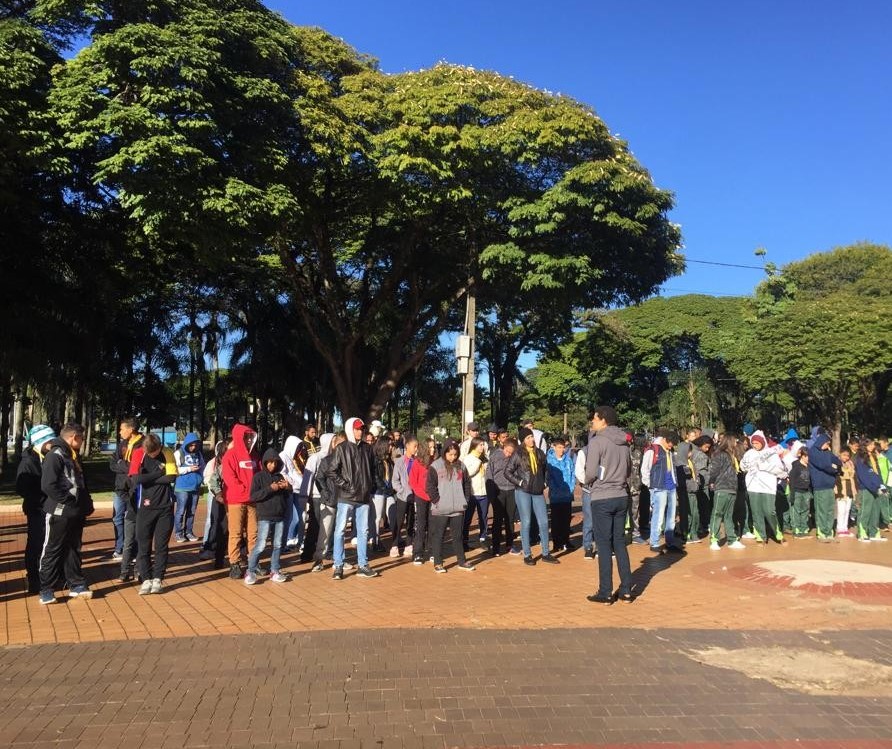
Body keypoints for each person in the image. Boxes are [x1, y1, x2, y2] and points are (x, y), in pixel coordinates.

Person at [37, 423, 94, 604]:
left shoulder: (72, 455)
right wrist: (68, 500)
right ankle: (46, 589)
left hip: (76, 512)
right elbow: (48, 485)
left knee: (73, 547)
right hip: (59, 511)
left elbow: (80, 481)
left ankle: (76, 584)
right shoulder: (55, 456)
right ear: (73, 437)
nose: (83, 442)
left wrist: (86, 502)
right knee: (53, 549)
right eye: (82, 438)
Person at [584, 406, 633, 604]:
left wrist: (589, 481)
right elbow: (629, 469)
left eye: (594, 419)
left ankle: (605, 591)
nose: (592, 422)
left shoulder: (597, 441)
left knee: (603, 545)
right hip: (621, 495)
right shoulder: (624, 442)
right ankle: (627, 589)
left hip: (602, 497)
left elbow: (589, 472)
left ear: (603, 420)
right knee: (620, 543)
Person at [326, 416, 379, 579]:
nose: (359, 431)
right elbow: (331, 471)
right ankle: (338, 565)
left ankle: (363, 565)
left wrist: (370, 486)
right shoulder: (341, 448)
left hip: (363, 497)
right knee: (340, 531)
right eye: (356, 428)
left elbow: (372, 469)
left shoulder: (367, 449)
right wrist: (346, 485)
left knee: (363, 531)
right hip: (346, 496)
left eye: (361, 429)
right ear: (350, 429)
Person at [129, 433, 178, 594]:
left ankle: (158, 578)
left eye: (156, 452)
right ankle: (146, 578)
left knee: (161, 546)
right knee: (143, 545)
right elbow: (136, 479)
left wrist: (148, 478)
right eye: (150, 454)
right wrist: (158, 473)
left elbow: (171, 477)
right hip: (145, 506)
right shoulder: (138, 454)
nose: (153, 455)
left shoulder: (167, 452)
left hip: (165, 506)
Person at [507, 427, 559, 566]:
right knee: (527, 522)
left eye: (532, 437)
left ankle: (546, 553)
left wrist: (545, 481)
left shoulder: (540, 453)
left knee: (543, 522)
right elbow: (508, 472)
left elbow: (546, 469)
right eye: (528, 438)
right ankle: (528, 554)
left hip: (538, 492)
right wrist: (520, 482)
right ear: (523, 440)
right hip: (523, 491)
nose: (531, 440)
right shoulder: (518, 453)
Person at [15, 424, 55, 593]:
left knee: (47, 543)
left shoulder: (46, 456)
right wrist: (41, 497)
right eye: (50, 439)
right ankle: (33, 578)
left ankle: (47, 575)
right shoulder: (28, 462)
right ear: (41, 441)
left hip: (46, 507)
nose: (53, 442)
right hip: (36, 509)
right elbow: (21, 488)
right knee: (36, 544)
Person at [426, 439, 475, 573]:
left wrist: (465, 500)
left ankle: (462, 561)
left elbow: (466, 484)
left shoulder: (461, 466)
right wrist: (437, 501)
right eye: (450, 454)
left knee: (458, 536)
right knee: (439, 536)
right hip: (440, 509)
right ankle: (438, 562)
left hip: (458, 508)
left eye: (455, 454)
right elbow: (430, 486)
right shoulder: (435, 466)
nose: (453, 457)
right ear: (444, 453)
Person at [245, 448, 291, 584]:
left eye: (275, 463)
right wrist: (270, 489)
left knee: (277, 545)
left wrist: (287, 487)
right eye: (269, 462)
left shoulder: (280, 477)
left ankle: (275, 570)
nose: (272, 465)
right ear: (265, 463)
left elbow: (287, 495)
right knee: (261, 544)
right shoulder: (258, 477)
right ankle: (250, 571)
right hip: (265, 515)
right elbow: (253, 496)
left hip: (279, 516)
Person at [222, 423, 260, 579]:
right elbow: (230, 479)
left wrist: (257, 492)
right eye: (247, 437)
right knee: (236, 533)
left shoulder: (254, 456)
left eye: (251, 437)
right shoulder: (230, 456)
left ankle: (254, 562)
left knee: (254, 533)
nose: (250, 440)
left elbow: (259, 475)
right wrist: (246, 491)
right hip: (236, 500)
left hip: (252, 500)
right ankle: (235, 563)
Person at [740, 430, 787, 544]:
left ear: (762, 442)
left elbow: (780, 469)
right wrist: (746, 465)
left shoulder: (771, 453)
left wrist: (763, 466)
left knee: (769, 511)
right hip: (753, 487)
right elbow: (743, 466)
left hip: (768, 487)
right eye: (753, 443)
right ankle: (760, 535)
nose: (755, 445)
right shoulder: (749, 453)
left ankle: (777, 533)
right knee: (756, 512)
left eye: (757, 443)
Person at [640, 429, 681, 552]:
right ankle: (655, 542)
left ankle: (670, 542)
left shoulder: (670, 451)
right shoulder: (653, 450)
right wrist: (650, 485)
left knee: (671, 516)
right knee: (658, 516)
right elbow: (645, 469)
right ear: (664, 439)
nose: (671, 446)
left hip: (671, 487)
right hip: (658, 487)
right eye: (670, 443)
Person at [109, 418, 143, 560]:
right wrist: (126, 465)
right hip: (120, 487)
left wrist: (122, 464)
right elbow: (112, 463)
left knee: (133, 518)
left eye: (122, 429)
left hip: (134, 488)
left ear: (131, 429)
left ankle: (133, 550)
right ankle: (120, 547)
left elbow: (139, 468)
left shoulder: (143, 443)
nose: (120, 432)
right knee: (117, 517)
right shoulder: (122, 444)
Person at [706, 433, 745, 550]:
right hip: (722, 487)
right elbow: (714, 471)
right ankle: (714, 539)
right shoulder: (720, 455)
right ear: (729, 442)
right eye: (734, 441)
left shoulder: (733, 455)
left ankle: (732, 539)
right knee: (717, 513)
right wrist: (712, 481)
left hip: (732, 488)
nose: (736, 444)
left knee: (729, 515)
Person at [310, 433, 341, 572]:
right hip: (329, 500)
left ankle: (339, 558)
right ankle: (318, 559)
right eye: (336, 442)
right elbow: (319, 478)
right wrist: (326, 493)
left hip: (343, 500)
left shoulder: (347, 461)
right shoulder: (325, 460)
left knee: (339, 532)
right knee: (325, 532)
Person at [486, 437, 519, 557]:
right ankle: (496, 547)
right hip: (498, 491)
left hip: (511, 490)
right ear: (503, 447)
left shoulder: (516, 458)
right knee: (497, 520)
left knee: (510, 519)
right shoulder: (495, 456)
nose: (508, 454)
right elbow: (489, 474)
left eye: (511, 452)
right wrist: (491, 493)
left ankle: (510, 545)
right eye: (507, 451)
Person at [200, 440, 229, 566]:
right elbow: (212, 480)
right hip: (220, 500)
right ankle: (214, 552)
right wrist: (218, 494)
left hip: (234, 501)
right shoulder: (216, 464)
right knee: (216, 525)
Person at [808, 433, 841, 542]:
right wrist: (835, 470)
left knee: (830, 510)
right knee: (822, 510)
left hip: (829, 485)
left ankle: (829, 531)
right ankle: (822, 533)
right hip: (820, 486)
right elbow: (824, 465)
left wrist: (840, 465)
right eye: (827, 443)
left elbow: (836, 460)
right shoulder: (813, 452)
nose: (827, 446)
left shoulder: (827, 452)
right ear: (821, 442)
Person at [854, 441, 889, 543]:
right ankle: (862, 533)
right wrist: (874, 488)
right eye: (870, 445)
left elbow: (877, 473)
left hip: (876, 489)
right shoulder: (860, 459)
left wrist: (882, 486)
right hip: (866, 489)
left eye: (873, 445)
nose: (872, 446)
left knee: (875, 511)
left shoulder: (873, 457)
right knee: (865, 511)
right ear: (864, 446)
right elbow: (863, 477)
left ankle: (874, 532)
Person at [389, 434, 418, 558]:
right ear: (407, 446)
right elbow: (395, 480)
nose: (416, 449)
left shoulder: (417, 462)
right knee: (399, 521)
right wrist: (402, 491)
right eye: (414, 446)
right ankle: (394, 545)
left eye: (417, 446)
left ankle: (408, 544)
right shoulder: (400, 462)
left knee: (411, 522)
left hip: (414, 497)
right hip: (402, 497)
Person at [173, 432, 205, 543]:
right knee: (181, 511)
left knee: (191, 511)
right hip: (182, 487)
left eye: (195, 445)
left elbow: (202, 467)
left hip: (195, 487)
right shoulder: (179, 453)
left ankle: (189, 532)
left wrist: (201, 479)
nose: (193, 447)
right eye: (191, 445)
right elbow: (175, 470)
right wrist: (189, 469)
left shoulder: (198, 454)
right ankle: (178, 533)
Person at [546, 437, 575, 551]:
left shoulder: (568, 460)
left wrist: (571, 488)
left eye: (563, 447)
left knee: (566, 519)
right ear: (554, 447)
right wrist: (555, 489)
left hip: (567, 495)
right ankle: (556, 543)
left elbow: (573, 475)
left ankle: (566, 540)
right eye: (559, 447)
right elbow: (548, 478)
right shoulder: (549, 461)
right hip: (555, 496)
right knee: (556, 520)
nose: (561, 450)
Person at [460, 437, 489, 549]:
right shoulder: (469, 458)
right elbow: (468, 474)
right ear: (474, 446)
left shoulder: (485, 458)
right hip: (472, 493)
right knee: (468, 518)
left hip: (483, 492)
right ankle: (464, 540)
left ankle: (483, 538)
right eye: (480, 445)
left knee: (483, 517)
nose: (482, 447)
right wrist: (478, 463)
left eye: (483, 445)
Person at [279, 435, 307, 550]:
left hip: (297, 490)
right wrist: (293, 483)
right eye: (297, 447)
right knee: (290, 517)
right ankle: (287, 540)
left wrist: (301, 482)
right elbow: (284, 473)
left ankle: (290, 539)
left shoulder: (292, 458)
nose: (298, 450)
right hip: (289, 491)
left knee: (298, 517)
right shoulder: (282, 456)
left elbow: (295, 473)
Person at [408, 443, 433, 564]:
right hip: (421, 497)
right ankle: (418, 552)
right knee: (421, 525)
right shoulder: (417, 463)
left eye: (434, 447)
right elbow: (413, 482)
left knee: (433, 525)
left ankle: (433, 551)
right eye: (431, 447)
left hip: (434, 497)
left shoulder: (435, 462)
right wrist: (422, 494)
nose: (433, 449)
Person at [369, 435, 395, 553]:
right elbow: (375, 477)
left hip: (388, 491)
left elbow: (391, 476)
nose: (391, 447)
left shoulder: (388, 460)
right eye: (389, 445)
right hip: (378, 492)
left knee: (392, 512)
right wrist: (384, 488)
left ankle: (396, 538)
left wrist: (391, 488)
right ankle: (375, 541)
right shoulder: (376, 460)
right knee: (377, 517)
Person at [787, 446, 812, 538]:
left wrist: (810, 492)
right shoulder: (796, 467)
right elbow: (792, 481)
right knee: (796, 511)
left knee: (805, 510)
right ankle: (796, 529)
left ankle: (804, 528)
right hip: (797, 491)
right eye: (808, 456)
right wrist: (792, 493)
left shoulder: (809, 467)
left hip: (806, 492)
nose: (809, 459)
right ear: (803, 456)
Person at [835, 448, 857, 538]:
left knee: (847, 509)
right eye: (844, 455)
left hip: (850, 489)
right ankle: (840, 528)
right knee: (841, 510)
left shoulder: (850, 463)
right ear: (840, 454)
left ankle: (845, 528)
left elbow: (852, 475)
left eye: (848, 455)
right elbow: (839, 476)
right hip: (841, 489)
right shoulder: (837, 463)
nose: (846, 457)